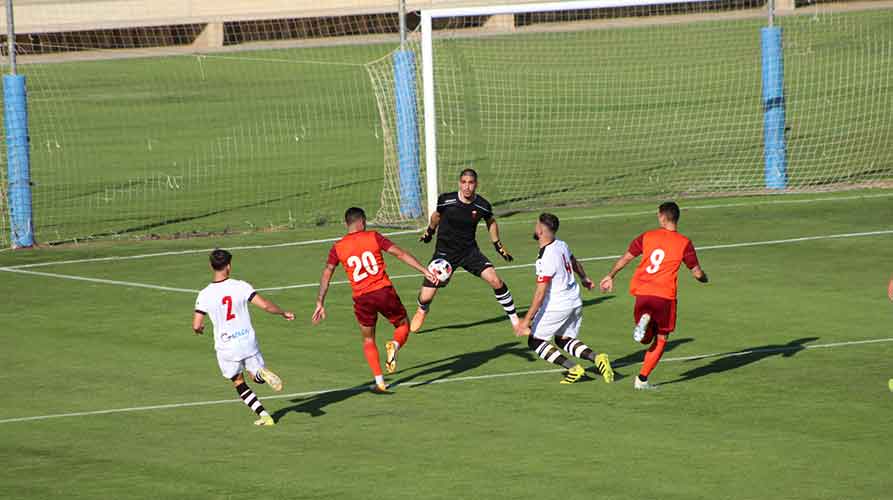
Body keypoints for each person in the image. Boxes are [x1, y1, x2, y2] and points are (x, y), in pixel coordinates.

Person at [313, 207, 439, 393]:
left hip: (362, 299)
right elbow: (400, 253)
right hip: (383, 292)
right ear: (361, 221)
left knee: (368, 339)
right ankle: (395, 345)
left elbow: (327, 273)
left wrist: (320, 301)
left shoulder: (337, 247)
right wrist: (424, 270)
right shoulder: (373, 236)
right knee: (403, 325)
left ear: (347, 223)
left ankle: (380, 382)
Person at [600, 201, 708, 390]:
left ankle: (645, 322)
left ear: (663, 217)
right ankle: (642, 379)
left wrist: (610, 275)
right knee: (661, 339)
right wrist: (704, 279)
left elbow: (627, 257)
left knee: (644, 339)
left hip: (642, 293)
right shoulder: (684, 243)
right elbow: (697, 273)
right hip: (664, 296)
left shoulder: (647, 236)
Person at [193, 249, 295, 426]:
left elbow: (197, 324)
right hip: (247, 341)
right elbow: (265, 305)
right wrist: (282, 312)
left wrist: (199, 329)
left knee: (238, 382)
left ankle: (265, 416)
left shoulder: (204, 294)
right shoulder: (241, 286)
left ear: (211, 266)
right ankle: (261, 374)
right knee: (255, 375)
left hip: (227, 347)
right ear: (229, 266)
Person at [411, 168, 518, 332]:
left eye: (471, 183)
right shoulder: (446, 201)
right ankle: (422, 309)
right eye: (464, 182)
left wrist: (498, 245)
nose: (467, 187)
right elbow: (436, 216)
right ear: (459, 183)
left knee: (495, 280)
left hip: (469, 252)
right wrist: (429, 232)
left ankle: (516, 321)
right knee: (426, 296)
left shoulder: (482, 205)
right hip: (444, 253)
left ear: (476, 184)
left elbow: (491, 222)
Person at [513, 213, 614, 384]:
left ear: (540, 230)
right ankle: (598, 359)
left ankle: (574, 368)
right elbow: (574, 261)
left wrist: (526, 320)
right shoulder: (561, 244)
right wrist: (584, 278)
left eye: (536, 224)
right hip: (574, 301)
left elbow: (540, 294)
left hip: (557, 305)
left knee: (535, 341)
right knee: (562, 338)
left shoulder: (544, 258)